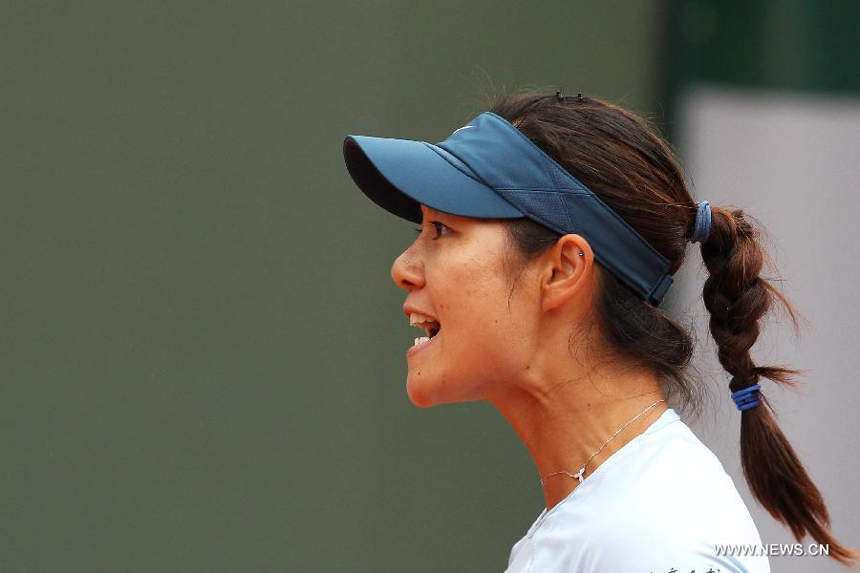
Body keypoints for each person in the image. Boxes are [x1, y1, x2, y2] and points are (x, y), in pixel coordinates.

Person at [341, 90, 857, 571]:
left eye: (441, 230)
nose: (404, 267)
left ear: (562, 269)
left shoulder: (657, 538)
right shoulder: (616, 518)